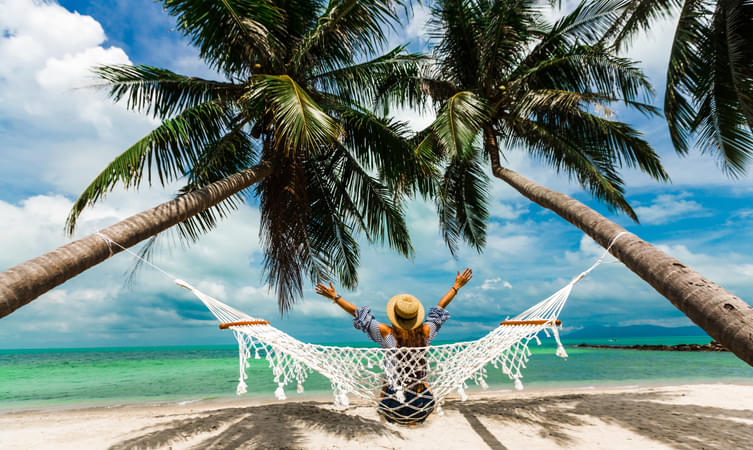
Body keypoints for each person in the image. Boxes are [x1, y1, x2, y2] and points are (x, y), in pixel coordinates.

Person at [315, 269, 473, 424]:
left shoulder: (386, 334)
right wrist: (456, 286)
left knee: (389, 378)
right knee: (422, 380)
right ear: (415, 318)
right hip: (422, 405)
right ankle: (414, 414)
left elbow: (358, 314)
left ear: (395, 316)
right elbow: (440, 308)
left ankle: (395, 412)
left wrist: (335, 297)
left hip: (392, 405)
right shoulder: (425, 333)